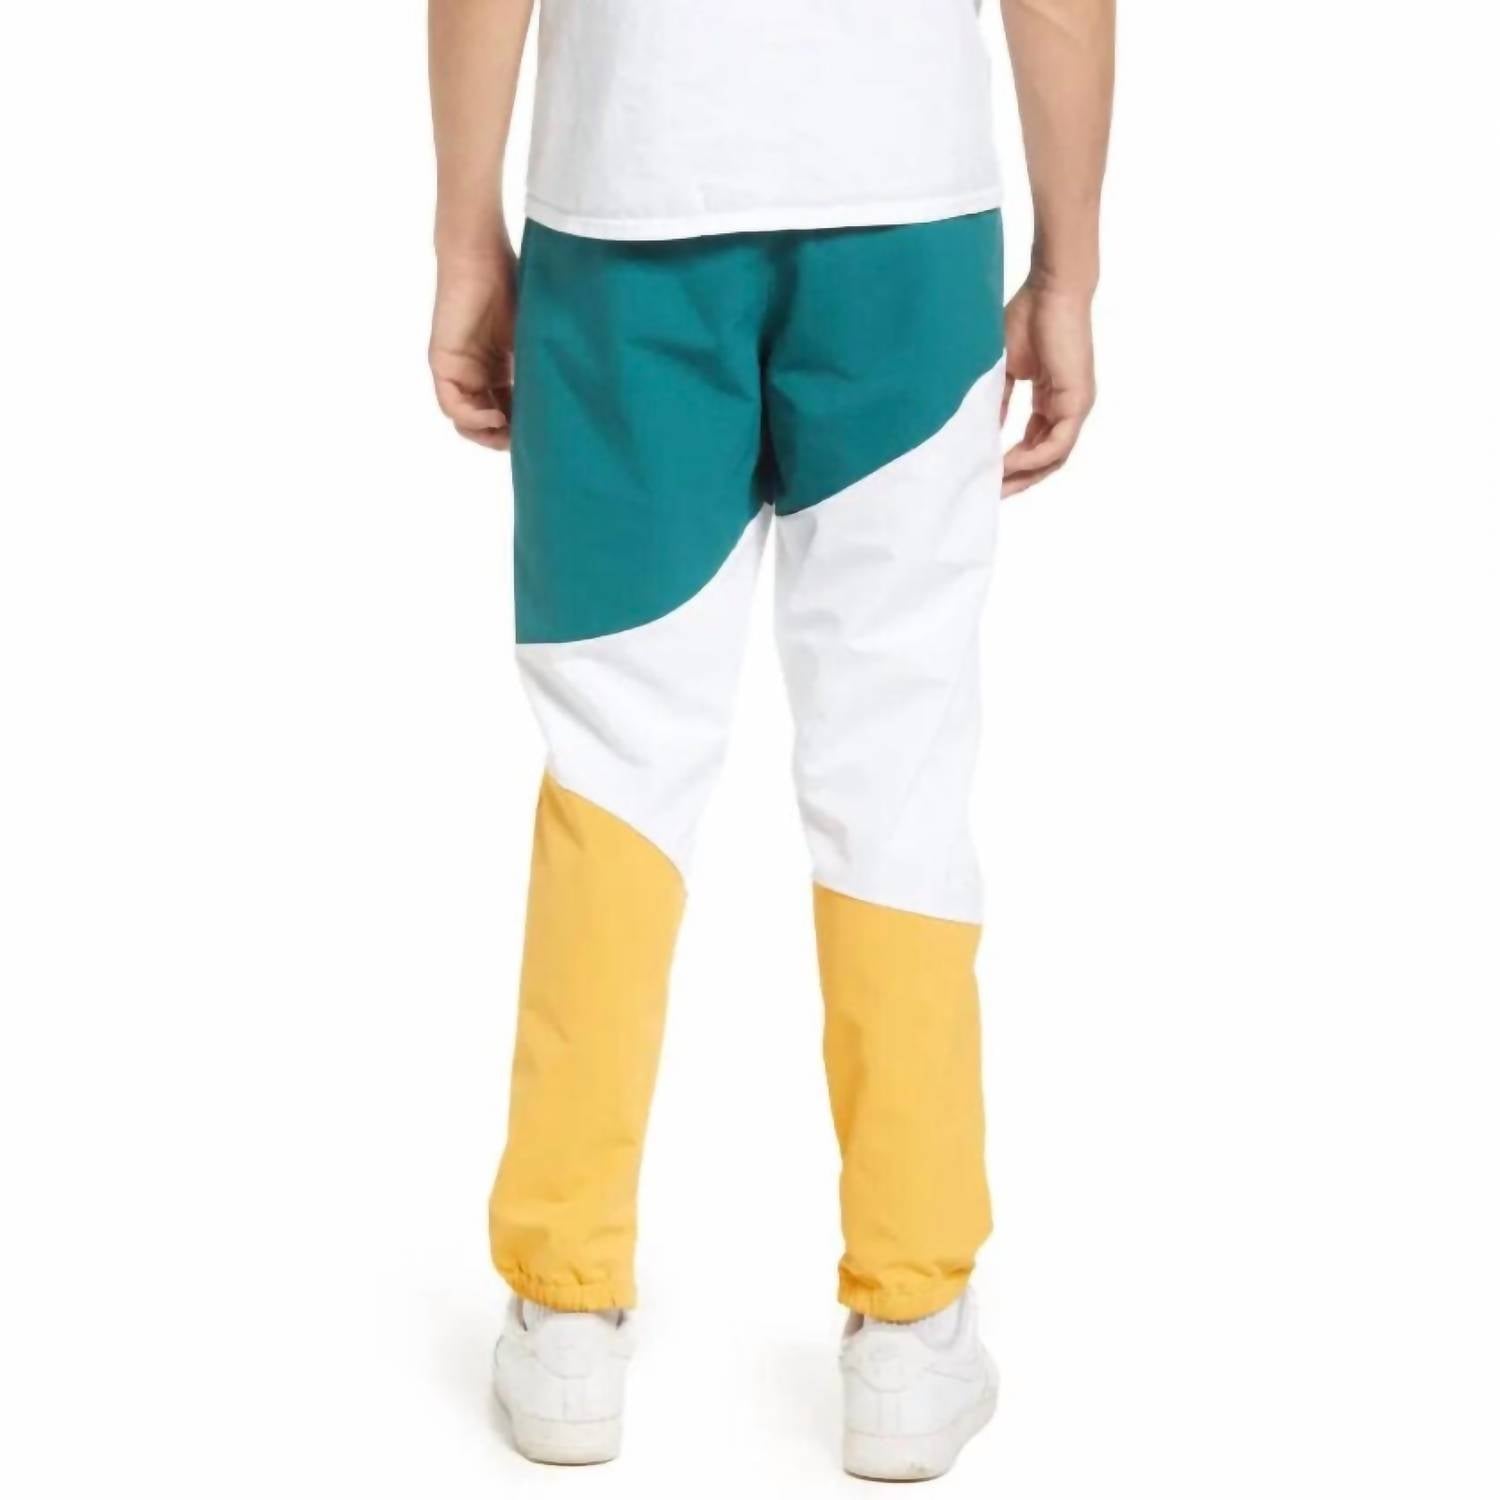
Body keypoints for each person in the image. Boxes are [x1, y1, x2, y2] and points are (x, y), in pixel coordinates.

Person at [428, 0, 1113, 1478]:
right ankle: (911, 1330)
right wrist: (1069, 265)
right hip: (905, 225)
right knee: (896, 760)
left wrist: (463, 234)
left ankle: (565, 1312)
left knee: (615, 762)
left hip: (625, 214)